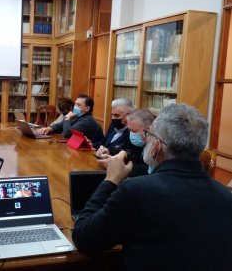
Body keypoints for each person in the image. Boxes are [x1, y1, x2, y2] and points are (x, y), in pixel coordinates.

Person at [73, 104, 232, 270]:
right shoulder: (226, 197)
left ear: (156, 147)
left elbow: (84, 238)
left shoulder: (136, 191)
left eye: (148, 135)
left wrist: (111, 180)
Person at [98, 109, 154, 177]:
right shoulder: (135, 138)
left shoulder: (156, 146)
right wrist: (108, 152)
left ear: (149, 130)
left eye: (134, 131)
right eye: (129, 130)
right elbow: (125, 149)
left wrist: (118, 166)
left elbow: (149, 170)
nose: (131, 134)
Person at [36, 94, 103, 141]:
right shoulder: (78, 116)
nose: (75, 107)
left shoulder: (88, 121)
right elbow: (60, 125)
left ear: (87, 108)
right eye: (75, 104)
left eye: (78, 105)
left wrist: (67, 117)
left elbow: (68, 134)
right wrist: (49, 128)